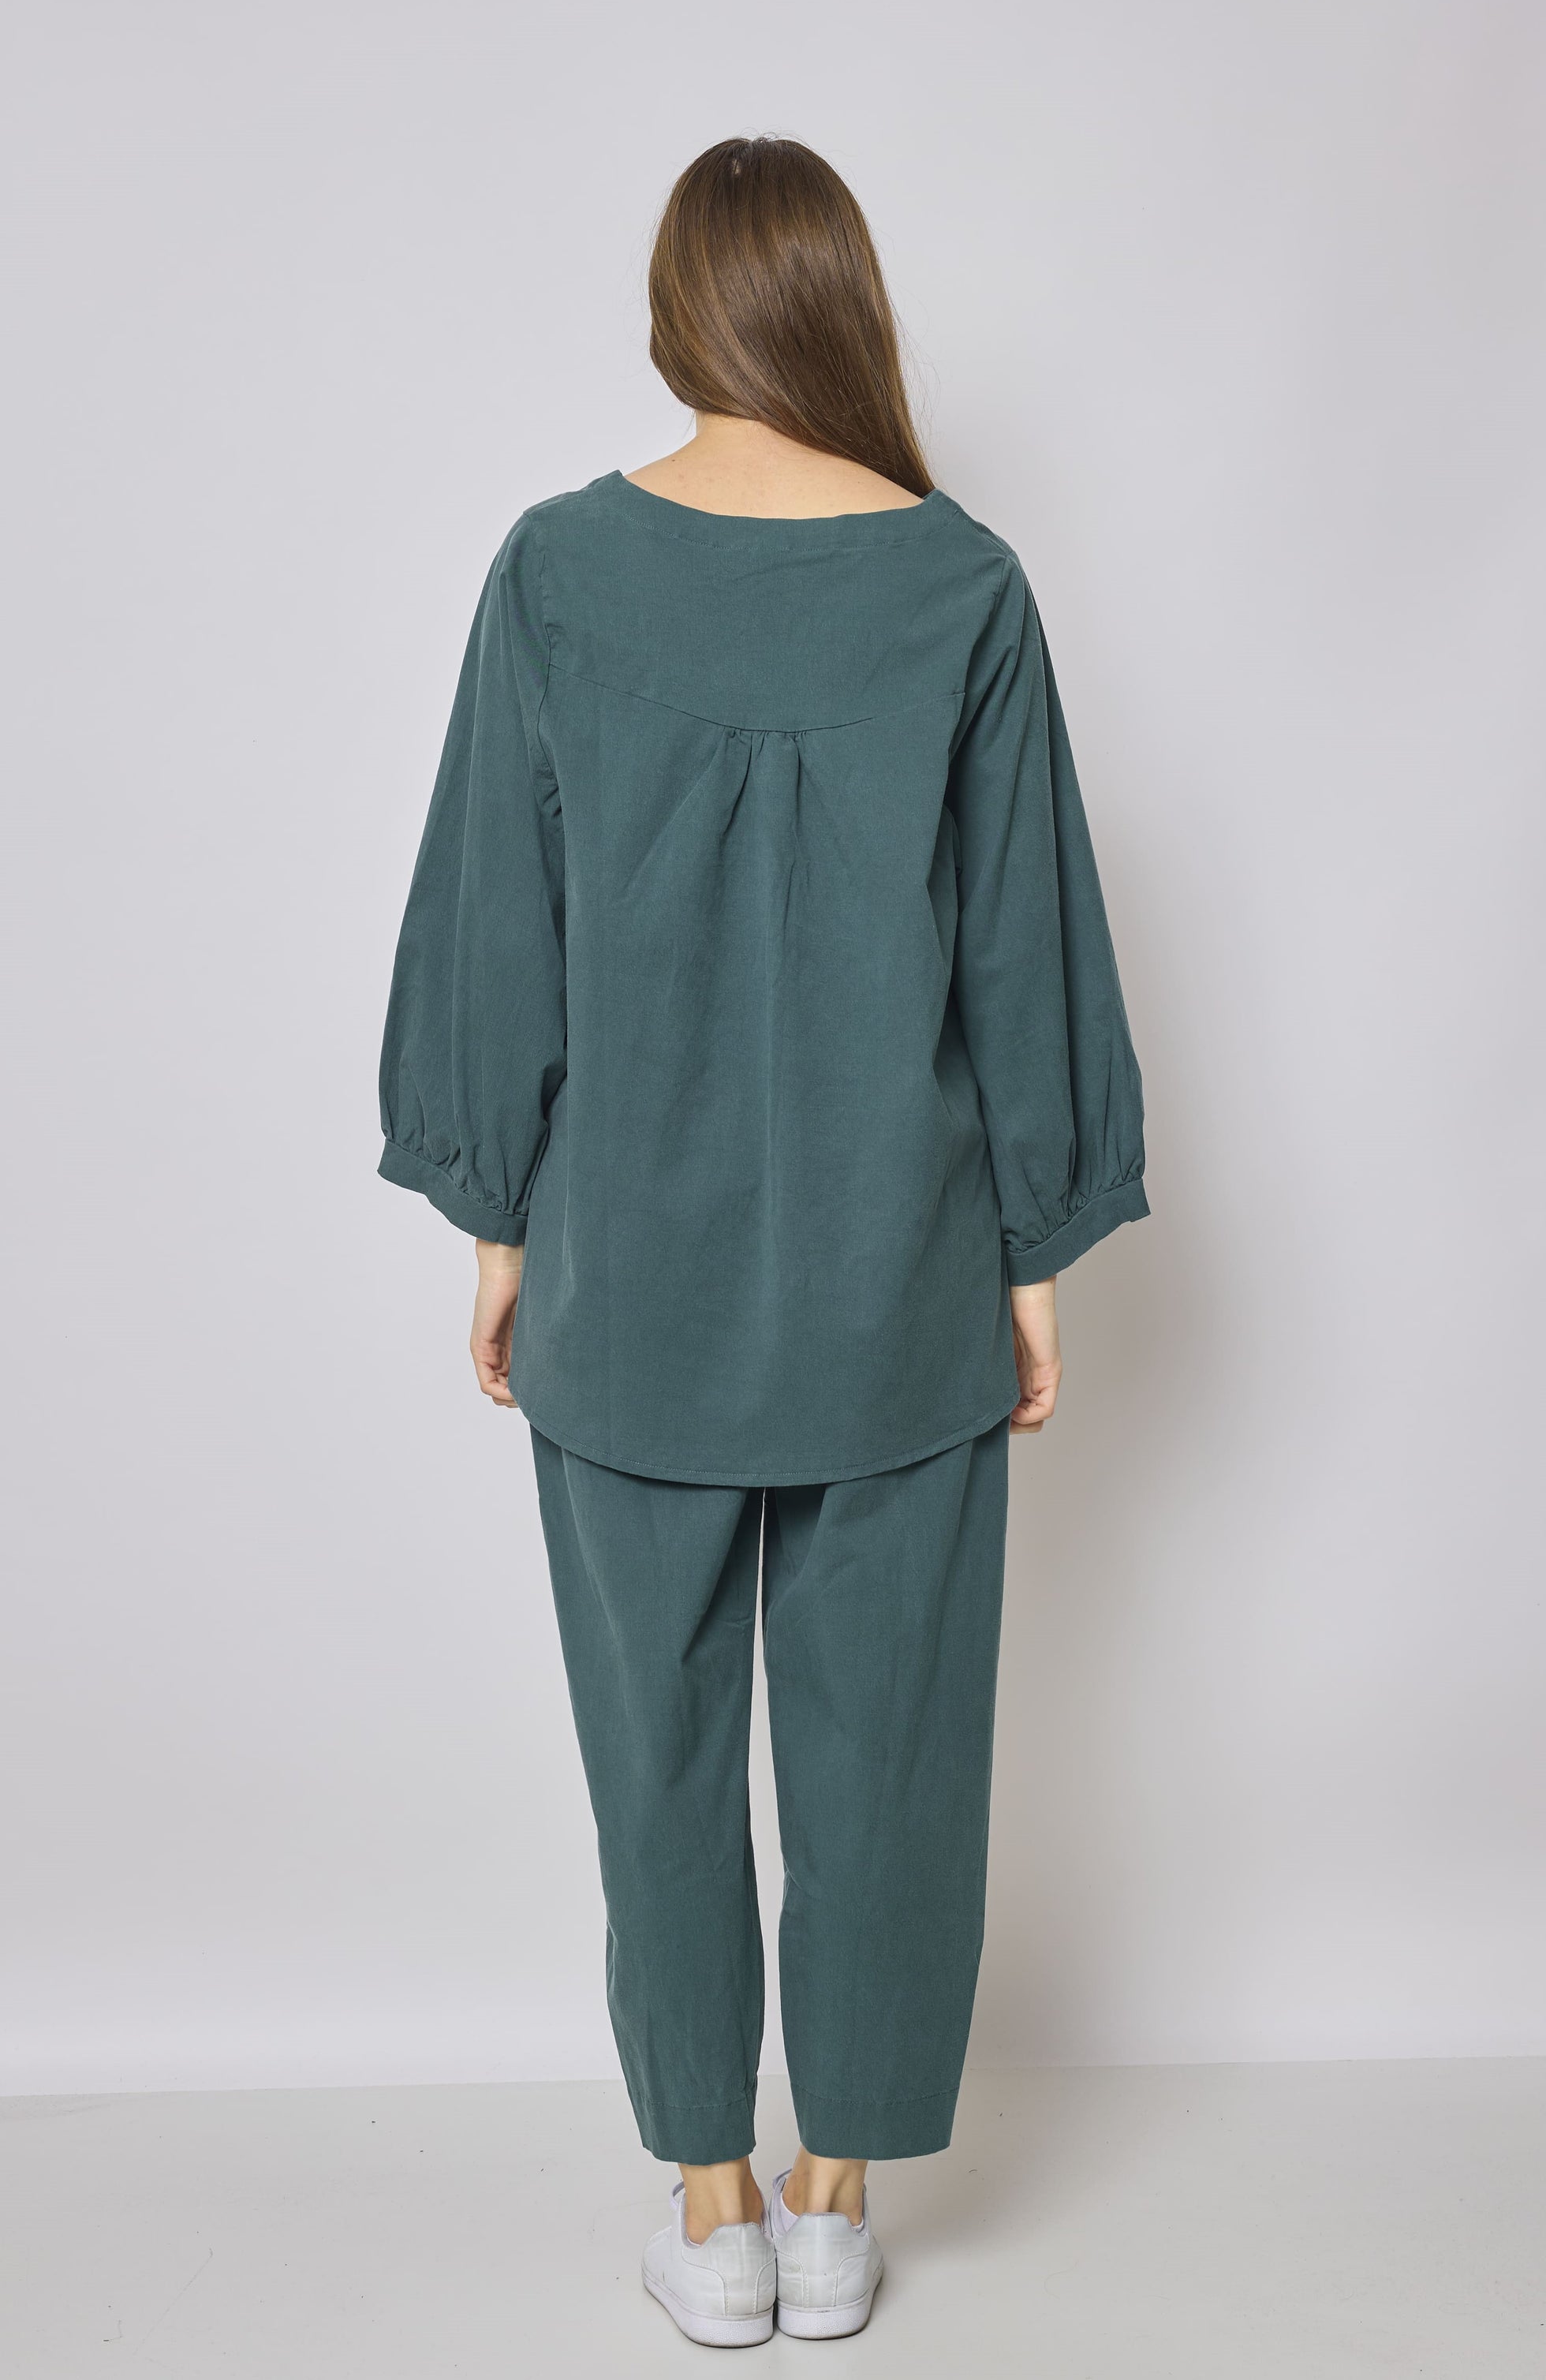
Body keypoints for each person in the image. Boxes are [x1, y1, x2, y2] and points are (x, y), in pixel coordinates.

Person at [377, 133, 1147, 2348]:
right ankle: (834, 2202)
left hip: (630, 1284)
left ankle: (708, 2212)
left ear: (677, 311)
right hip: (902, 1287)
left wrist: (499, 1227)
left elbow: (494, 925)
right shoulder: (962, 581)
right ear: (842, 307)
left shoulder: (554, 571)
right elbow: (1024, 949)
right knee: (890, 1750)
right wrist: (1032, 1256)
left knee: (658, 1748)